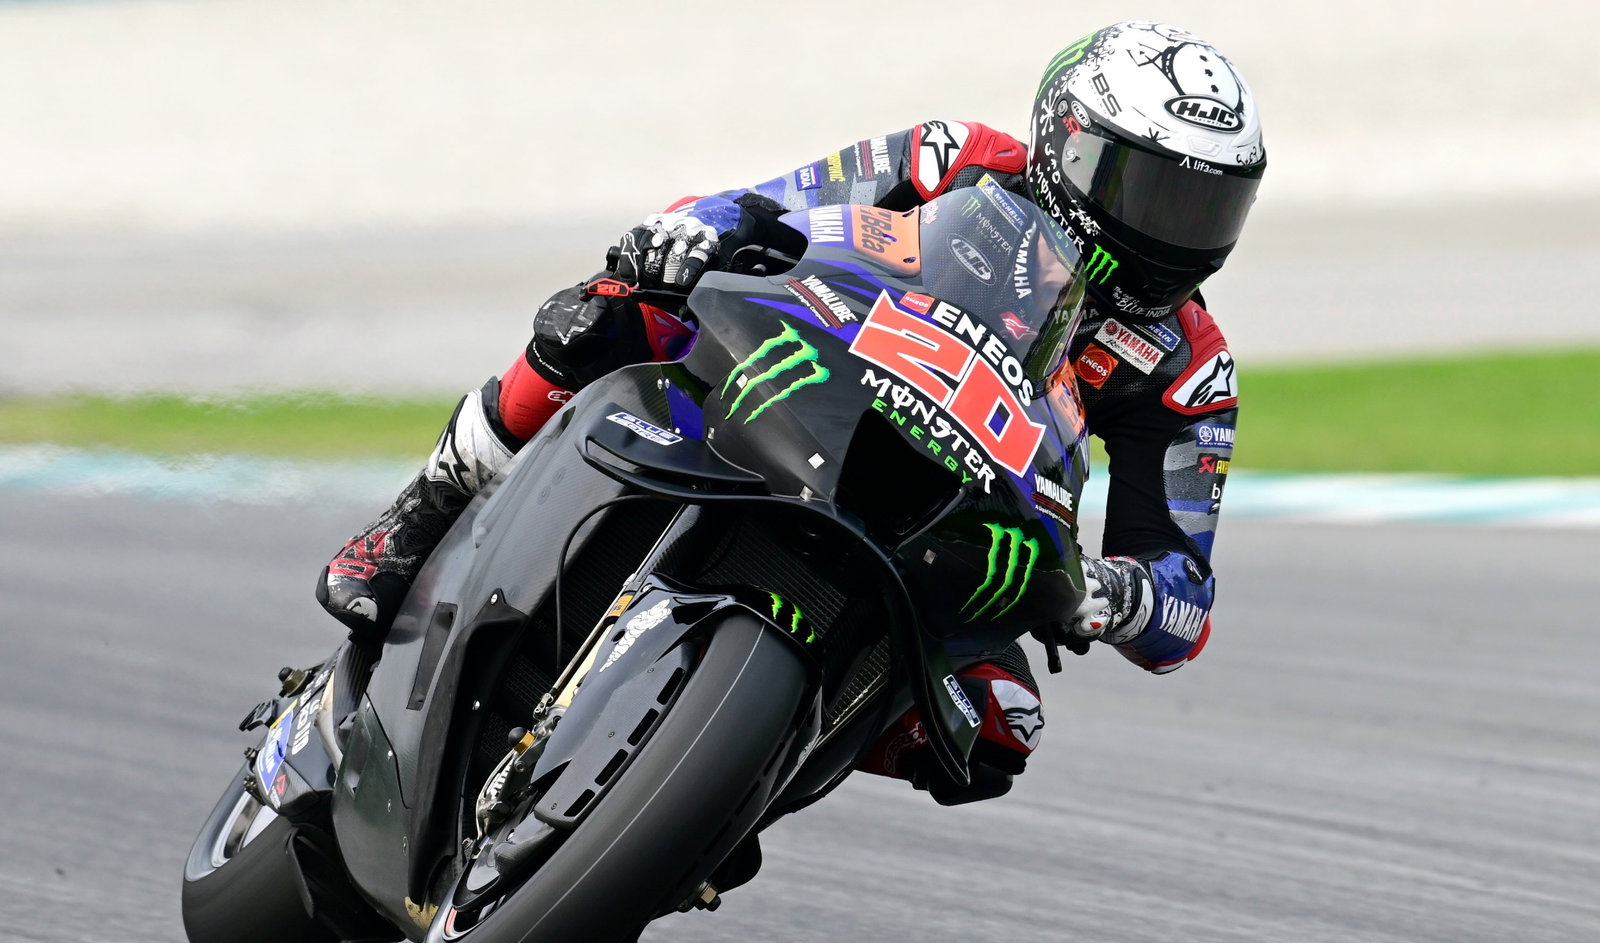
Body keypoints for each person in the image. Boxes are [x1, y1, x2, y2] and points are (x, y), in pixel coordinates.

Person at [317, 21, 1264, 802]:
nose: (1174, 231)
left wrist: (1123, 594)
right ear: (1069, 144)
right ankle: (424, 507)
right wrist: (700, 231)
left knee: (997, 727)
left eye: (1206, 208)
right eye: (1153, 190)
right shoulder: (961, 160)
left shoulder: (1190, 366)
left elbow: (1184, 590)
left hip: (961, 516)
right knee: (604, 314)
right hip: (813, 382)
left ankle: (727, 791)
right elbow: (779, 203)